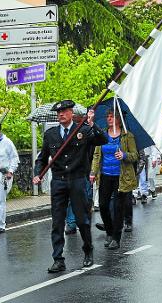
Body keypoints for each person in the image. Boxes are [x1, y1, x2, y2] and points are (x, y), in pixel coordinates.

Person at [33, 100, 106, 273]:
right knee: (57, 222)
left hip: (77, 180)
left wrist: (91, 124)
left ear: (71, 113)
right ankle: (58, 259)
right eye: (58, 112)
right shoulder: (50, 134)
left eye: (64, 112)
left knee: (82, 220)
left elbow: (102, 139)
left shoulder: (83, 130)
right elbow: (42, 158)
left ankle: (88, 251)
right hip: (58, 181)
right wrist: (37, 173)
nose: (60, 115)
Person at [90, 109, 138, 249]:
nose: (109, 119)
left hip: (121, 177)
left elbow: (135, 155)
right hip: (105, 175)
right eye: (108, 116)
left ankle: (116, 238)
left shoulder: (127, 136)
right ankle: (109, 232)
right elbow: (97, 155)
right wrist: (93, 172)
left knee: (118, 208)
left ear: (119, 119)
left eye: (112, 116)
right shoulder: (102, 134)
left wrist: (124, 155)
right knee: (103, 205)